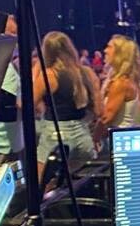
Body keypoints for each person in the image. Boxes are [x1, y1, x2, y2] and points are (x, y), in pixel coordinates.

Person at [33, 31, 101, 181]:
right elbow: (98, 110)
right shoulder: (87, 72)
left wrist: (36, 70)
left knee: (43, 183)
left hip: (55, 137)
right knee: (81, 184)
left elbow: (28, 104)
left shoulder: (49, 75)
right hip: (83, 136)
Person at [0, 14, 24, 165]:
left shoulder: (11, 66)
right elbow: (20, 104)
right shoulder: (4, 68)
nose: (16, 39)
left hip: (5, 144)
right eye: (12, 33)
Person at [100, 35, 140, 129]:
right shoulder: (124, 80)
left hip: (116, 134)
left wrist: (94, 136)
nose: (105, 50)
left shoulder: (121, 83)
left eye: (109, 47)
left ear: (120, 53)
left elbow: (107, 118)